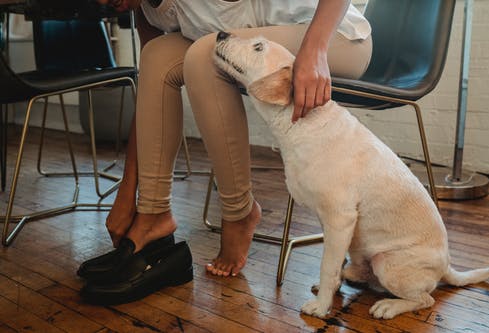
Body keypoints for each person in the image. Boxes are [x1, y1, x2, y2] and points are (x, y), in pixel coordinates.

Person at [94, 0, 372, 277]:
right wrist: (127, 195)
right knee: (156, 57)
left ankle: (239, 213)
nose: (103, 2)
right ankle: (154, 214)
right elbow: (149, 102)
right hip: (251, 42)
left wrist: (315, 50)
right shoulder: (145, 10)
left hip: (330, 35)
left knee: (206, 53)